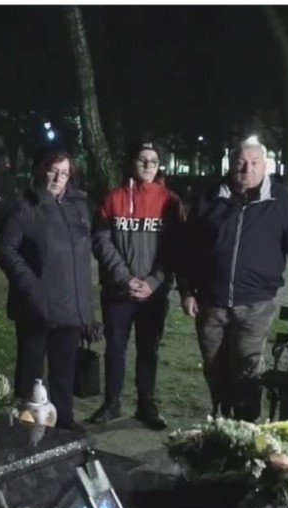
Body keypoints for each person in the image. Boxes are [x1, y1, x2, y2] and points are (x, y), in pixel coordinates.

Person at [177, 137, 288, 421]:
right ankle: (221, 421)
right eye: (240, 162)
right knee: (214, 367)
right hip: (209, 303)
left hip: (255, 305)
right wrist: (187, 290)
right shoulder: (209, 198)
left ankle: (248, 426)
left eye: (254, 163)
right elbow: (187, 248)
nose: (246, 168)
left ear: (265, 165)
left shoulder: (281, 202)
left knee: (248, 368)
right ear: (230, 162)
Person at [0, 151, 93, 432]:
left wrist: (87, 310)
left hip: (69, 306)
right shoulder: (26, 207)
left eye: (64, 173)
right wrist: (29, 282)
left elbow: (81, 263)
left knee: (65, 368)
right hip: (35, 306)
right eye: (53, 171)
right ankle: (25, 421)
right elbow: (4, 248)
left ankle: (64, 418)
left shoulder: (79, 207)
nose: (58, 178)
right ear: (41, 171)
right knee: (30, 369)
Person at [89, 140, 183, 430]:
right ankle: (112, 402)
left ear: (159, 165)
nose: (147, 165)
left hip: (153, 294)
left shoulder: (170, 201)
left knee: (148, 349)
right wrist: (124, 277)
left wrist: (153, 282)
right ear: (132, 163)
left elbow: (174, 248)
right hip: (119, 292)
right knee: (115, 348)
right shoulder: (112, 198)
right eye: (142, 159)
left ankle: (146, 404)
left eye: (153, 161)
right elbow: (101, 241)